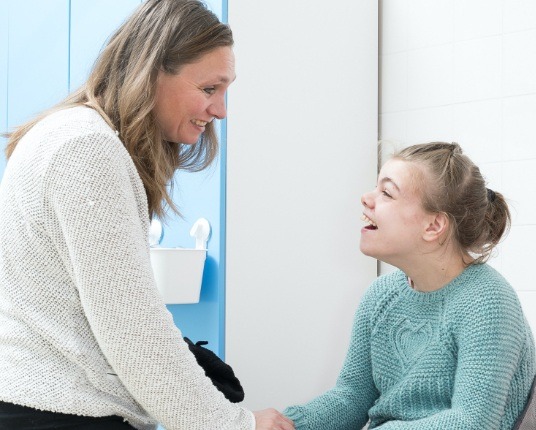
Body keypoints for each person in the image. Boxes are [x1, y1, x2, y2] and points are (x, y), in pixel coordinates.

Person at [0, 1, 294, 429]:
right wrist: (239, 424)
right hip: (60, 415)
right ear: (152, 72)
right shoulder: (86, 148)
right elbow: (131, 330)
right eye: (210, 89)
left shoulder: (67, 135)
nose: (221, 111)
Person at [283, 142, 536, 429]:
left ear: (433, 226)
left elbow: (472, 423)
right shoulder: (380, 296)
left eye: (387, 193)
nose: (366, 198)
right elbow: (352, 398)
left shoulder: (487, 302)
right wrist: (287, 424)